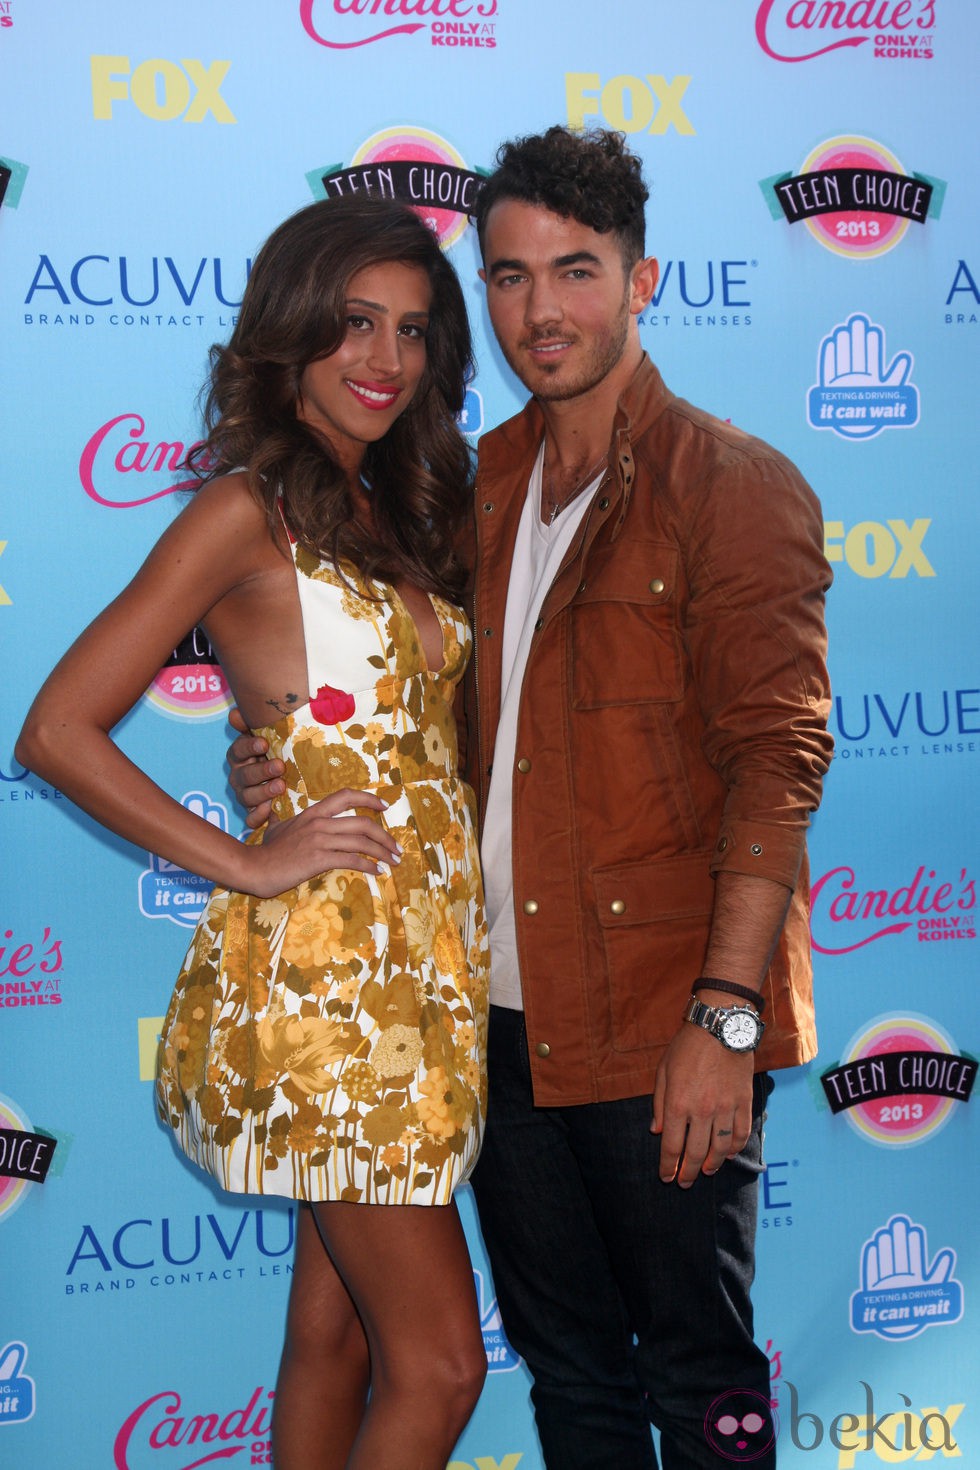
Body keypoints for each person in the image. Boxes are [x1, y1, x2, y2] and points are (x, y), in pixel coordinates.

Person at [230, 128, 834, 1468]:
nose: (540, 309)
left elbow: (777, 767)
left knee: (702, 1372)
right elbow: (393, 708)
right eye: (509, 276)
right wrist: (274, 758)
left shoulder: (729, 487)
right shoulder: (467, 487)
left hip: (661, 1020)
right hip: (493, 1017)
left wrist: (724, 1019)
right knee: (572, 1376)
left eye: (575, 270)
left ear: (642, 280)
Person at [16, 196, 490, 1470]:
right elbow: (56, 727)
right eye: (350, 325)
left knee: (334, 1340)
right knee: (442, 1366)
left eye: (409, 330)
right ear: (288, 337)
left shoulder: (404, 511)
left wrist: (279, 756)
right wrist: (245, 856)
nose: (383, 360)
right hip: (331, 991)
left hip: (424, 977)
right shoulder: (244, 511)